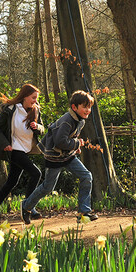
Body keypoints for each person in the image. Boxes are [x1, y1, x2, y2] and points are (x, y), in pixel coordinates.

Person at [20, 90, 98, 225]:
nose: (88, 110)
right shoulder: (67, 121)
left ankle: (83, 212)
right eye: (84, 107)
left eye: (89, 107)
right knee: (47, 188)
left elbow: (70, 137)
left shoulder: (80, 120)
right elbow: (60, 142)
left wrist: (75, 145)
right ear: (75, 107)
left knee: (86, 176)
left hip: (68, 156)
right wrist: (77, 143)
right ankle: (26, 206)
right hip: (54, 157)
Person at [0, 84, 45, 224]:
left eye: (36, 98)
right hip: (14, 149)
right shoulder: (11, 110)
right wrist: (4, 144)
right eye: (33, 98)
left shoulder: (35, 110)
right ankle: (28, 206)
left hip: (25, 149)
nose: (35, 101)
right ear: (25, 96)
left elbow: (43, 129)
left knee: (12, 181)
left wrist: (37, 127)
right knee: (36, 173)